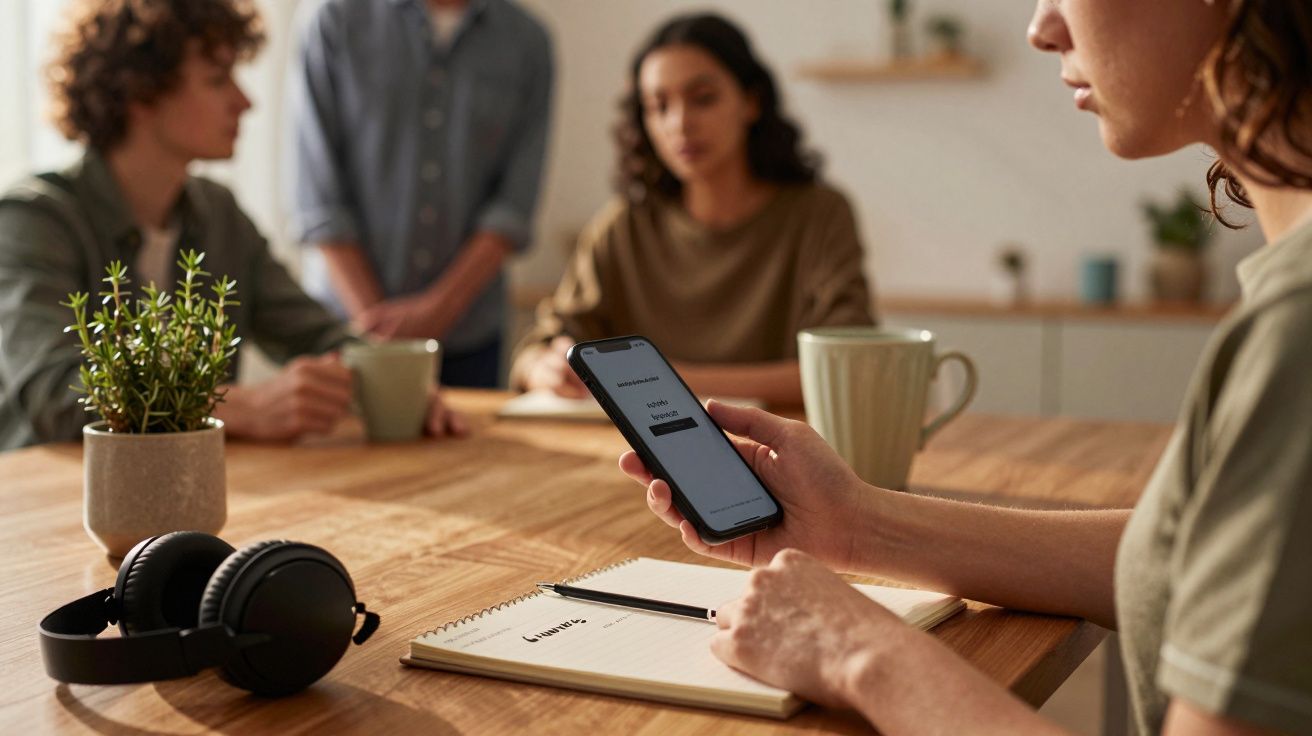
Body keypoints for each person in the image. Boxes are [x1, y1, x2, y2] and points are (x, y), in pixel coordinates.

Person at [619, 1, 1312, 733]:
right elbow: (1182, 565)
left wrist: (859, 651)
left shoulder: (1295, 336)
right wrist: (855, 524)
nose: (1041, 26)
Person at [0, 0, 462, 451]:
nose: (245, 101)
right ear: (140, 93)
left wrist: (399, 385)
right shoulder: (32, 219)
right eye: (218, 79)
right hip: (50, 504)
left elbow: (314, 334)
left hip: (188, 495)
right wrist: (240, 408)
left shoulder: (217, 214)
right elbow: (53, 393)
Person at [511, 13, 875, 407]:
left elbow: (848, 367)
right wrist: (544, 368)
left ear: (751, 102)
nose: (679, 123)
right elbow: (540, 347)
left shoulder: (818, 215)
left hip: (778, 454)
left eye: (703, 99)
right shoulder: (624, 225)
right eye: (658, 105)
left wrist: (660, 377)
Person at [288, 0, 553, 388]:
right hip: (344, 330)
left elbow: (513, 204)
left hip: (469, 337)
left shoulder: (528, 40)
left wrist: (437, 310)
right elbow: (317, 197)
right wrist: (377, 329)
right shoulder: (331, 19)